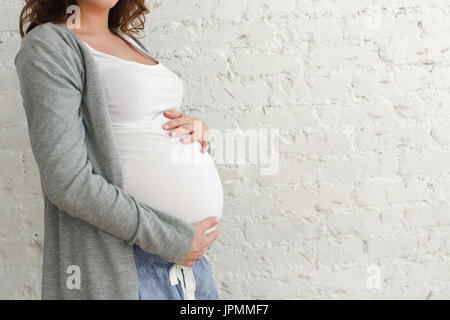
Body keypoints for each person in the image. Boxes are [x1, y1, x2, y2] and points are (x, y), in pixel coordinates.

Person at [15, 0, 224, 300]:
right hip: (129, 266)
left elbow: (137, 129)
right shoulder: (49, 45)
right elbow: (66, 182)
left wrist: (196, 132)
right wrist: (173, 240)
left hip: (189, 267)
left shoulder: (128, 40)